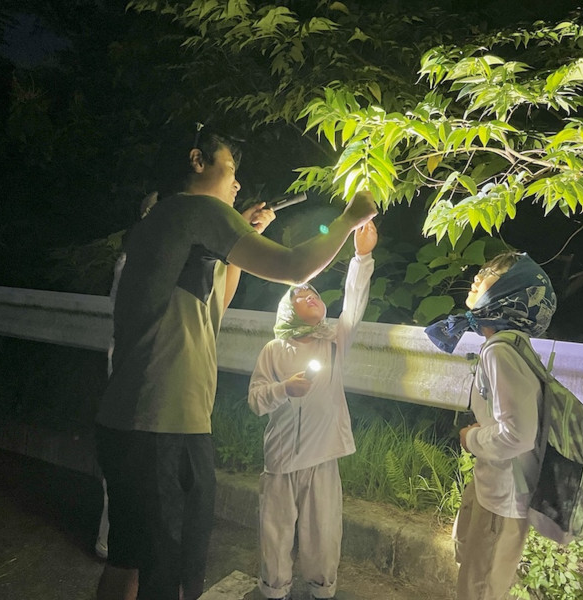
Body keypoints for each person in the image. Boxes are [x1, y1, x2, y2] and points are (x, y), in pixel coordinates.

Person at [94, 127, 377, 600]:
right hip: (164, 422)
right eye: (230, 168)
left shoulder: (161, 223)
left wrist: (240, 243)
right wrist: (349, 219)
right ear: (197, 161)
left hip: (131, 422)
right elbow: (293, 268)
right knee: (168, 574)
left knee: (129, 561)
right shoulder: (197, 209)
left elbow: (216, 306)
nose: (238, 184)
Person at [247, 221, 377, 600]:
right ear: (287, 312)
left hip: (323, 458)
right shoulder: (274, 350)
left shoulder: (334, 341)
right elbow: (256, 400)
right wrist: (284, 389)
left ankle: (322, 592)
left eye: (314, 293)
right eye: (301, 296)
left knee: (324, 533)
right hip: (281, 459)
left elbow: (355, 301)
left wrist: (362, 256)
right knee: (275, 534)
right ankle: (274, 592)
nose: (311, 297)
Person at [424, 251, 557, 600]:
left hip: (504, 495)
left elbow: (518, 434)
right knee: (473, 569)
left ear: (510, 292)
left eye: (489, 273)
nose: (477, 277)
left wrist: (471, 439)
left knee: (480, 589)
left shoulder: (500, 351)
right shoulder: (512, 345)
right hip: (495, 485)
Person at [97, 191, 160, 561]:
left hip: (142, 372)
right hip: (131, 373)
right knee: (128, 459)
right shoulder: (136, 258)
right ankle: (114, 542)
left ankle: (125, 542)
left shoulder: (144, 254)